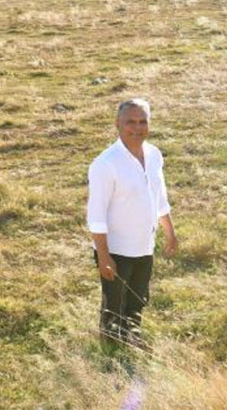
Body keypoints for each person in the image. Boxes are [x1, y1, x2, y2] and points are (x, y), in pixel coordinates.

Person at [86, 98, 178, 351]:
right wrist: (103, 256)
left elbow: (159, 197)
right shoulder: (106, 163)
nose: (137, 128)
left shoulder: (154, 154)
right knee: (114, 303)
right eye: (130, 122)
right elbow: (96, 215)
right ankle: (111, 350)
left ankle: (132, 339)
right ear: (117, 124)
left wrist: (170, 232)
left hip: (144, 245)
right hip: (116, 250)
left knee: (138, 299)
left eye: (142, 121)